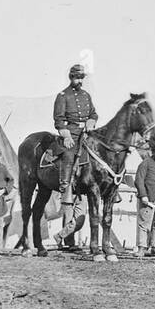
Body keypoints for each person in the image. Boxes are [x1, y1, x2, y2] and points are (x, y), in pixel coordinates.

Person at [53, 63, 98, 217]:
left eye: (81, 78)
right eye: (77, 78)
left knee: (100, 154)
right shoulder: (63, 96)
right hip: (71, 131)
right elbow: (58, 119)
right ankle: (65, 188)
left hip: (86, 132)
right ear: (71, 77)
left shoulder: (86, 95)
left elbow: (93, 113)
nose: (80, 80)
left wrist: (91, 121)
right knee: (68, 154)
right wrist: (65, 135)